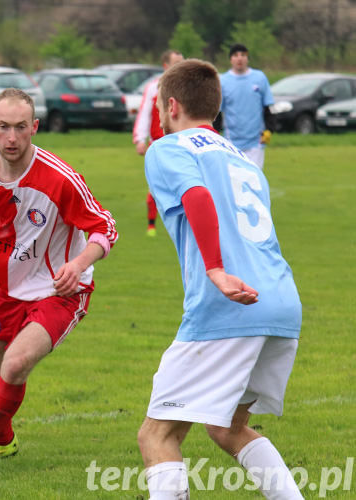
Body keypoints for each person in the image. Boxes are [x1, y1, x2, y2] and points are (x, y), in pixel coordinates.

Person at [138, 59, 303, 499]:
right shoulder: (244, 161)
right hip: (280, 302)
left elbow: (196, 195)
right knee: (228, 426)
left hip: (228, 308)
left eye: (158, 105)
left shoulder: (168, 148)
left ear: (171, 105)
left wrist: (213, 269)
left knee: (157, 435)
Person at [0, 88, 118, 478]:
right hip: (9, 292)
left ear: (34, 127)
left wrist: (80, 262)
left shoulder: (59, 177)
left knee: (16, 363)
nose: (12, 138)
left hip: (60, 292)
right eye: (3, 127)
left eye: (21, 127)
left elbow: (104, 227)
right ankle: (4, 441)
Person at [133, 49, 184, 237]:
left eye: (182, 62)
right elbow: (145, 113)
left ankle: (183, 219)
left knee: (182, 181)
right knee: (155, 184)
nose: (180, 66)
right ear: (166, 66)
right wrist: (140, 139)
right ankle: (151, 224)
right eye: (176, 62)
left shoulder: (186, 88)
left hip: (181, 143)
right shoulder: (154, 87)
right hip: (159, 143)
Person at [219, 44, 276, 169]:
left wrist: (269, 130)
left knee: (254, 180)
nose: (239, 58)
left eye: (243, 55)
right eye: (236, 55)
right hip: (231, 142)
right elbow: (217, 113)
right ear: (231, 59)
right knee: (235, 181)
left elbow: (268, 107)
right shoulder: (222, 81)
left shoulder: (259, 78)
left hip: (256, 141)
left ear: (247, 59)